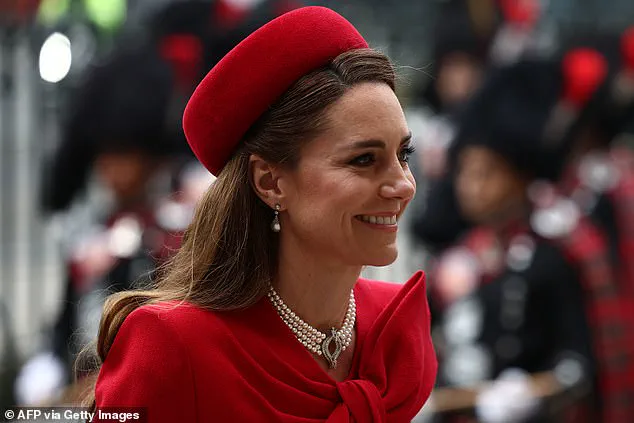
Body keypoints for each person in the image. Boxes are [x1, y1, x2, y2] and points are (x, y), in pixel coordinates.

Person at [84, 6, 437, 422]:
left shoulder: (393, 328)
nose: (403, 185)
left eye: (404, 154)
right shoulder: (171, 345)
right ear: (270, 182)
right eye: (363, 160)